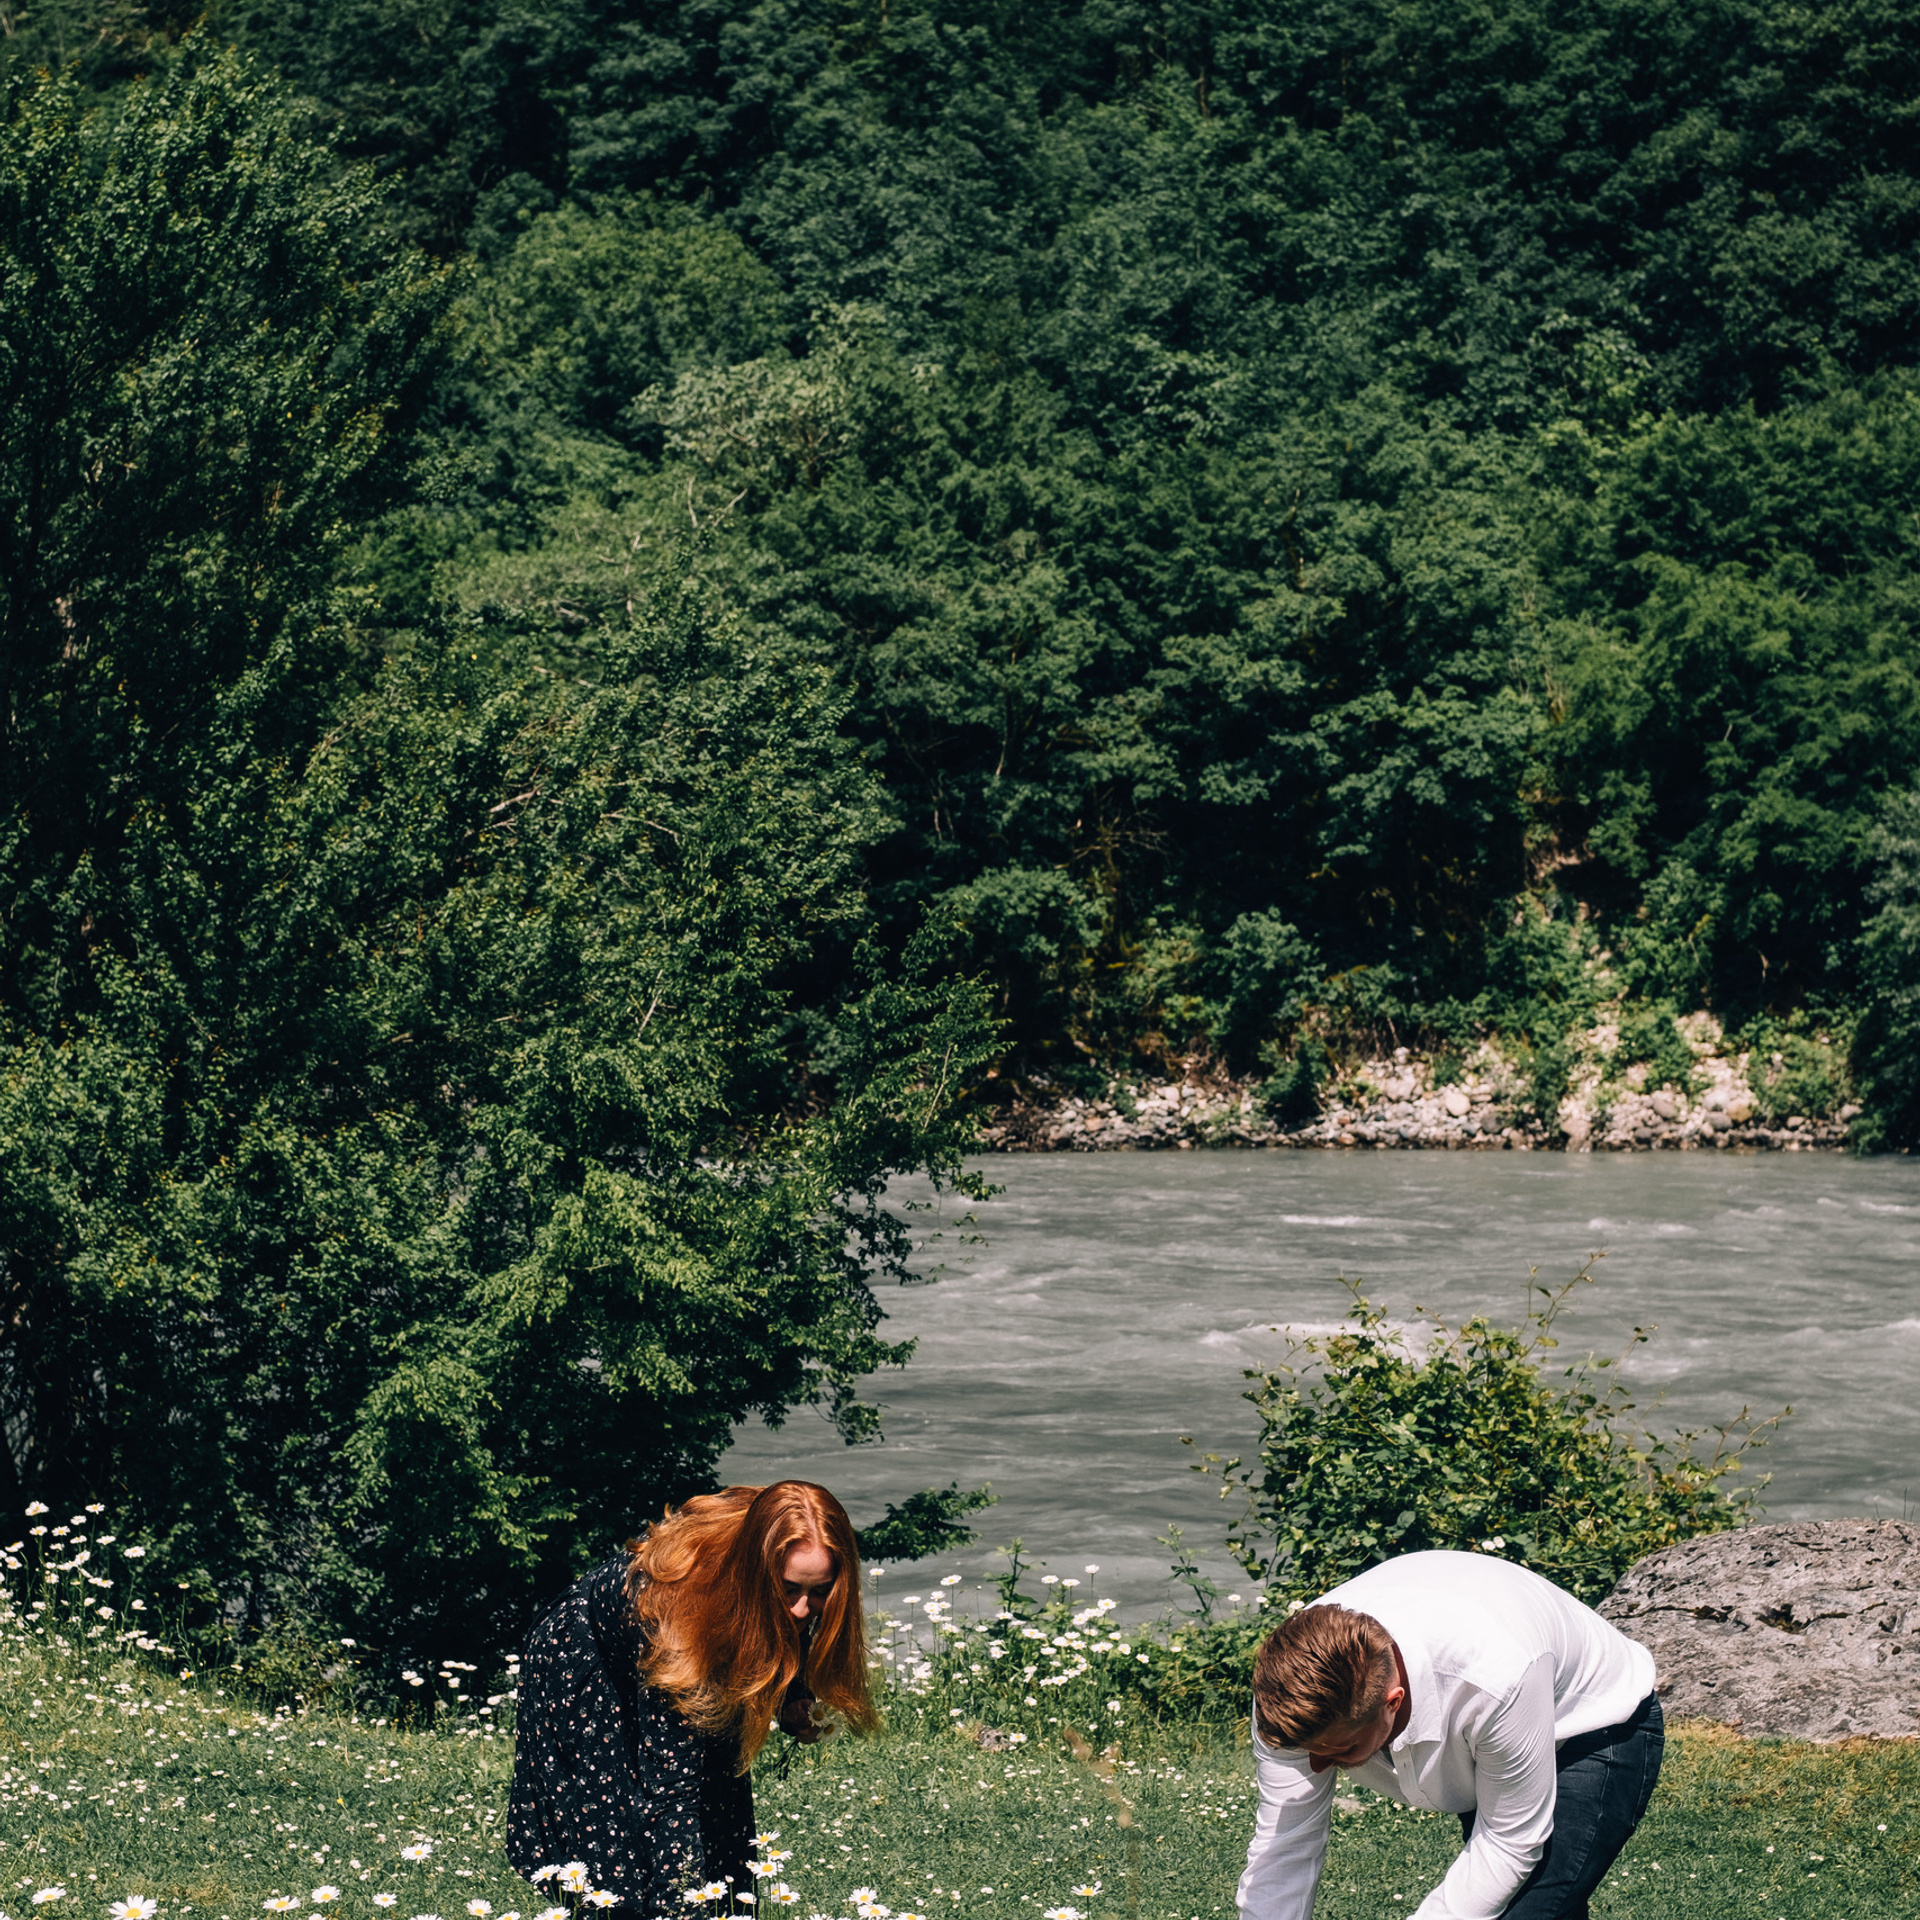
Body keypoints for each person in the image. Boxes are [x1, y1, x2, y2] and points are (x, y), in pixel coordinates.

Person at [507, 1481, 878, 1912]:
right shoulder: (676, 1615)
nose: (801, 1609)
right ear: (758, 1573)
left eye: (820, 1592)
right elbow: (672, 1792)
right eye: (789, 1589)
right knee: (616, 1846)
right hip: (589, 1658)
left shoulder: (781, 1528)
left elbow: (774, 1631)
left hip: (696, 1630)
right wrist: (683, 1903)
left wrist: (792, 1695)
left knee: (721, 1798)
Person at [1237, 1550, 1662, 1920]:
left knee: (1524, 1909)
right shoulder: (1288, 1692)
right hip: (1492, 1732)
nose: (1317, 1766)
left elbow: (1508, 1841)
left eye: (1342, 1749)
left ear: (1392, 1702)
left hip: (1593, 1725)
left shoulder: (1493, 1679)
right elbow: (1284, 1846)